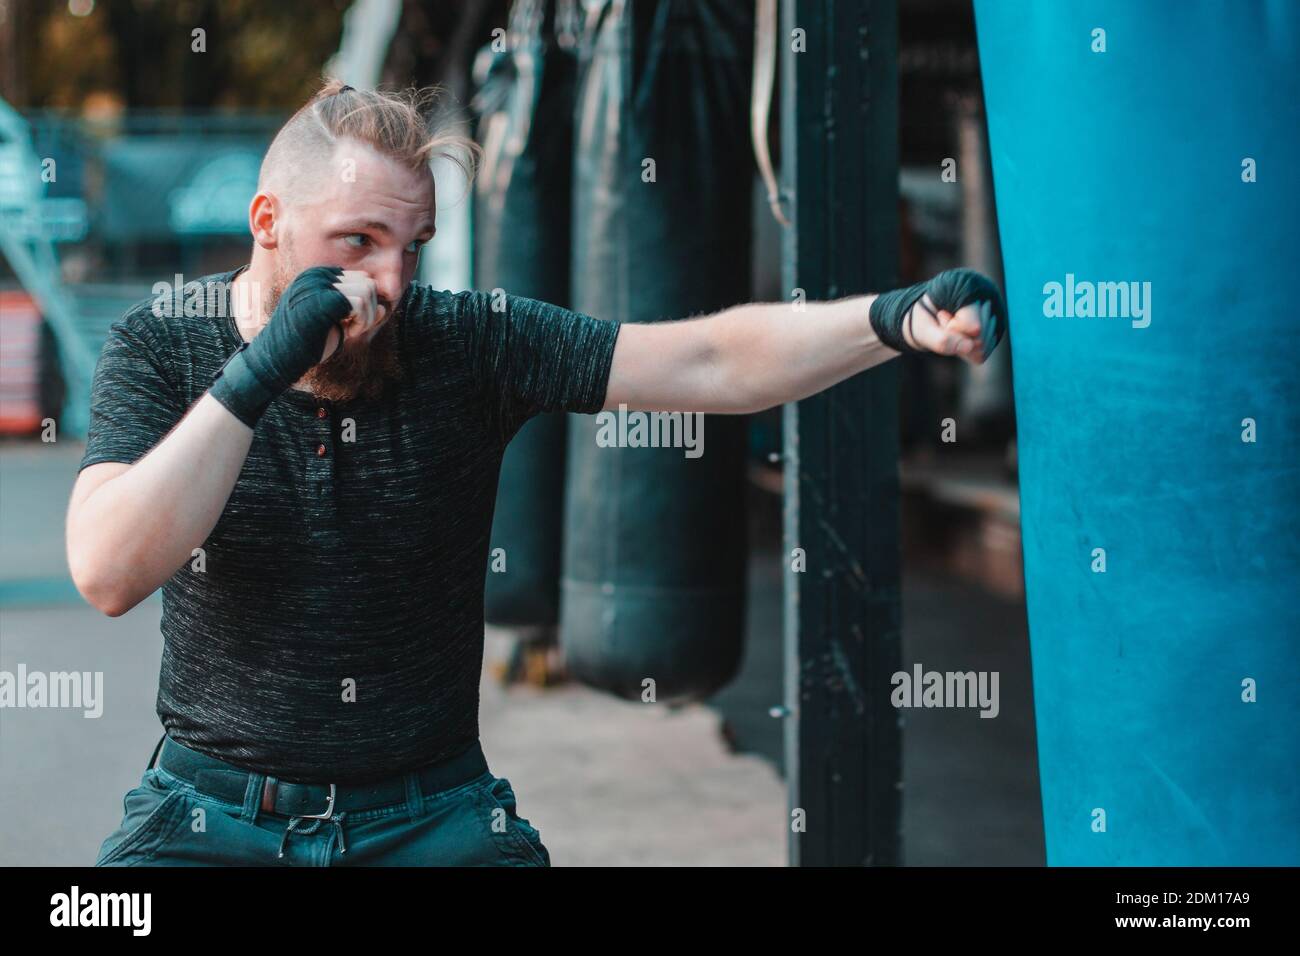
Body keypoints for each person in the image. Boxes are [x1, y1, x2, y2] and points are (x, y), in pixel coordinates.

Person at [67, 80, 1006, 867]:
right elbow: (109, 570)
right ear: (267, 222)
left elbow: (706, 361)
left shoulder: (466, 339)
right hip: (209, 818)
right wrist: (262, 369)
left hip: (430, 819)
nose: (389, 284)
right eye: (357, 242)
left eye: (413, 247)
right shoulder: (162, 348)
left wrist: (891, 319)